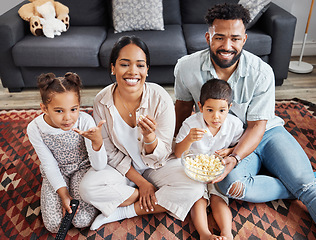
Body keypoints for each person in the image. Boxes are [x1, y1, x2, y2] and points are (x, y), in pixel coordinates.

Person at [174, 3, 316, 238]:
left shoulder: (262, 72)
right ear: (208, 37)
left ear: (245, 39)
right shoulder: (187, 67)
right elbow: (183, 107)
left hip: (266, 133)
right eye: (219, 37)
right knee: (229, 186)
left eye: (235, 39)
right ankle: (292, 185)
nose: (227, 46)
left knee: (309, 189)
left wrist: (235, 157)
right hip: (226, 141)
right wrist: (173, 146)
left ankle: (305, 184)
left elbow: (258, 126)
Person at [79, 36, 204, 231]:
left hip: (158, 165)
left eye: (140, 65)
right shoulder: (101, 100)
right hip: (123, 170)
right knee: (87, 188)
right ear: (113, 68)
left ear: (147, 70)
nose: (133, 72)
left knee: (196, 187)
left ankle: (123, 211)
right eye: (124, 64)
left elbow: (163, 152)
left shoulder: (160, 97)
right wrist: (142, 184)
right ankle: (147, 194)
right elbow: (109, 152)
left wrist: (150, 138)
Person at [27, 72, 108, 233]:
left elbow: (99, 166)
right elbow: (49, 164)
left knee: (82, 219)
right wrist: (64, 195)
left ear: (79, 106)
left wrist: (97, 142)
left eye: (73, 109)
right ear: (44, 108)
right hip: (57, 171)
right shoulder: (35, 128)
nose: (68, 118)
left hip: (83, 169)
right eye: (59, 111)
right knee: (54, 225)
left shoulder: (85, 121)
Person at [175, 79, 243, 240]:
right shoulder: (191, 124)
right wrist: (188, 140)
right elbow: (178, 153)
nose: (216, 117)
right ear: (200, 106)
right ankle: (204, 234)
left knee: (218, 197)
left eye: (222, 111)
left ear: (229, 108)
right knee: (198, 198)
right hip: (194, 171)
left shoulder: (234, 124)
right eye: (210, 110)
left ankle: (227, 233)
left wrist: (230, 150)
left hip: (216, 171)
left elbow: (241, 145)